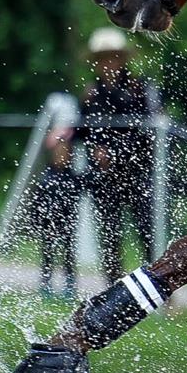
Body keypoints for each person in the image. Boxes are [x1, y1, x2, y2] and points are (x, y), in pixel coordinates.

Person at [81, 27, 162, 286]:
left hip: (136, 172)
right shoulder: (91, 94)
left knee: (147, 233)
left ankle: (160, 285)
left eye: (113, 57)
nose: (108, 64)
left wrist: (114, 153)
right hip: (103, 178)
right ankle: (113, 289)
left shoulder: (140, 89)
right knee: (109, 235)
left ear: (122, 59)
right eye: (103, 59)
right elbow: (85, 132)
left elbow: (147, 133)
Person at [28, 121, 82, 302]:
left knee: (68, 254)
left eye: (65, 153)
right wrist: (37, 221)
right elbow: (37, 203)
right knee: (48, 254)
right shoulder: (46, 178)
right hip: (48, 223)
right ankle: (45, 283)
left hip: (67, 222)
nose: (62, 156)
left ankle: (69, 284)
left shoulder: (74, 178)